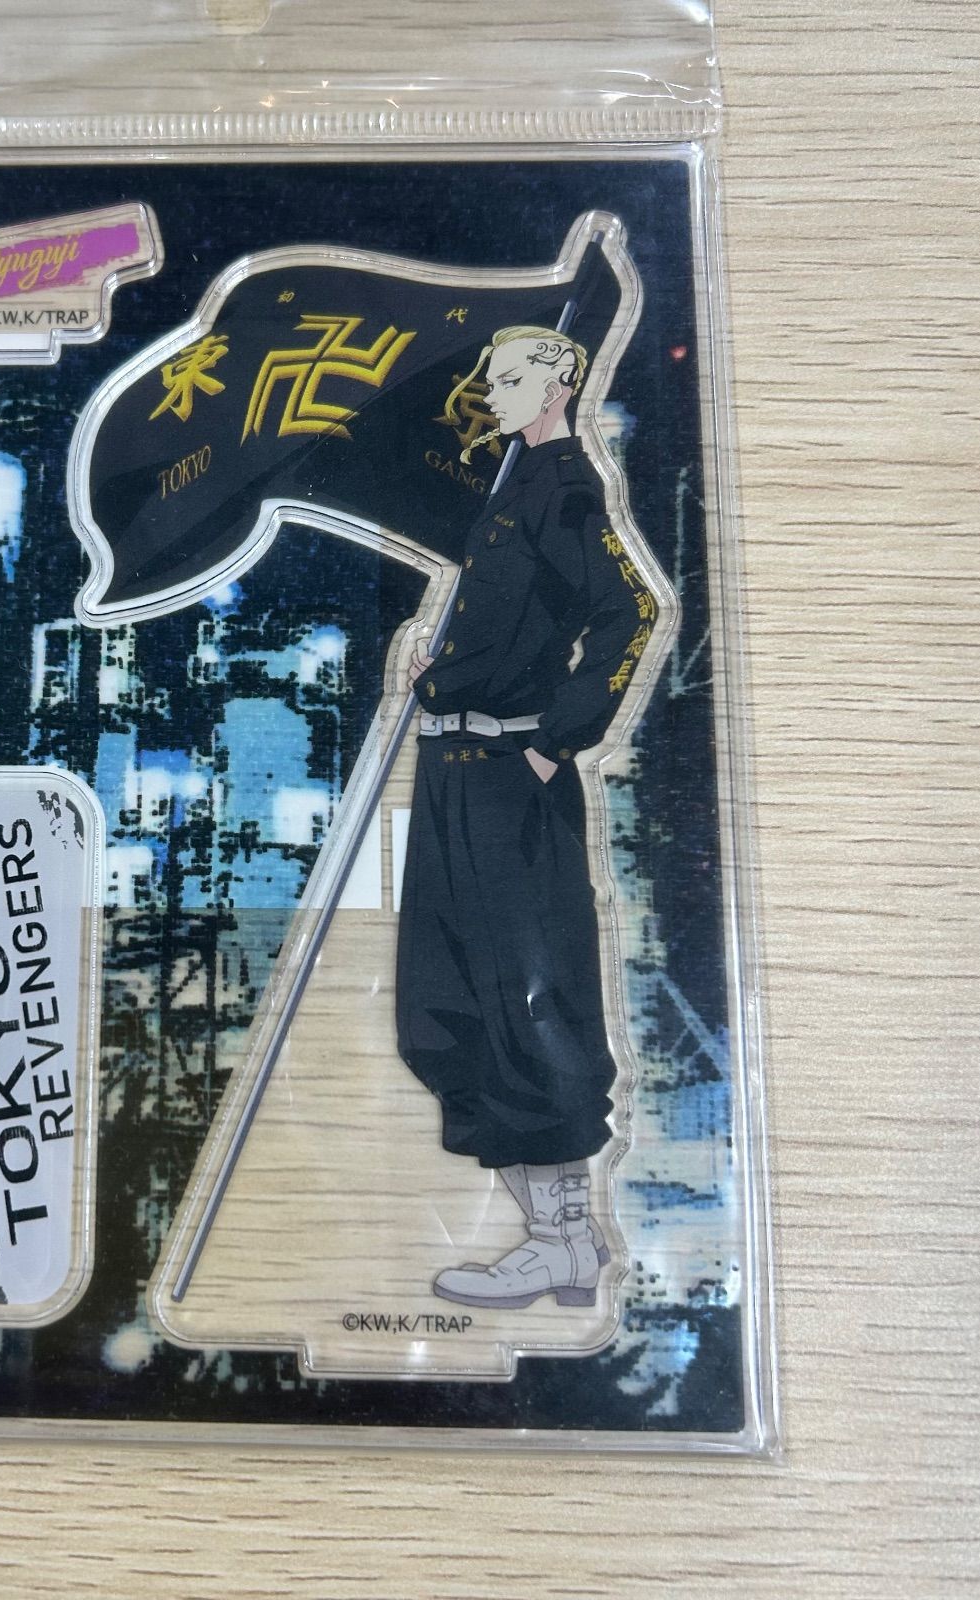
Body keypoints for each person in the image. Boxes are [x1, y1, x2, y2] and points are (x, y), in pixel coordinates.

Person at [396, 323, 661, 1310]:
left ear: (556, 388)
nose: (491, 391)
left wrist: (558, 738)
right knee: (442, 1010)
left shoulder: (564, 489)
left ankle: (562, 1239)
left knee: (527, 1005)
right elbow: (512, 620)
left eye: (509, 379)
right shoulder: (511, 488)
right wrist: (440, 672)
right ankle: (562, 1240)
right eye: (491, 377)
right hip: (452, 766)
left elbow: (631, 614)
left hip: (512, 774)